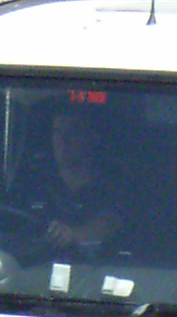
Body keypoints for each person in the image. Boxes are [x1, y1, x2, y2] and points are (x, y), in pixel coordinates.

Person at [31, 108, 122, 252]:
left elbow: (109, 223)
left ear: (92, 137)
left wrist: (73, 235)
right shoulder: (35, 181)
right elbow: (0, 220)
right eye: (57, 132)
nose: (62, 140)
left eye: (72, 132)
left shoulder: (111, 185)